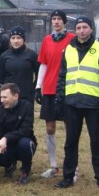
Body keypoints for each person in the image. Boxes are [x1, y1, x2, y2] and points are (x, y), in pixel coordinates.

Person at [54, 16, 99, 189]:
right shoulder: (68, 50)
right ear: (75, 30)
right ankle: (68, 176)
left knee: (97, 142)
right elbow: (62, 77)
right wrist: (59, 100)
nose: (81, 30)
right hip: (72, 103)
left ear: (91, 29)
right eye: (78, 27)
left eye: (84, 27)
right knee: (70, 142)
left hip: (93, 103)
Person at [35, 10, 75, 179]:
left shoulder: (72, 39)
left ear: (64, 22)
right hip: (50, 90)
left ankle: (73, 167)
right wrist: (38, 86)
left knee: (70, 129)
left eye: (59, 19)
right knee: (50, 128)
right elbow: (43, 64)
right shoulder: (46, 40)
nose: (56, 22)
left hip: (67, 90)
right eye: (54, 19)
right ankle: (53, 166)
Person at [0, 83, 37, 185]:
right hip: (6, 145)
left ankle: (25, 171)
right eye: (1, 97)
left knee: (24, 144)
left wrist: (6, 138)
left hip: (25, 141)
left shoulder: (27, 106)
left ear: (15, 96)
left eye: (5, 97)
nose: (2, 100)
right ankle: (9, 165)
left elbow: (26, 130)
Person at [0, 26, 39, 105]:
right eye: (13, 38)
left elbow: (39, 74)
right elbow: (1, 78)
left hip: (26, 96)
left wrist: (33, 88)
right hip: (9, 96)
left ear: (23, 39)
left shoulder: (32, 55)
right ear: (9, 40)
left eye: (18, 38)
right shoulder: (4, 56)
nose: (15, 41)